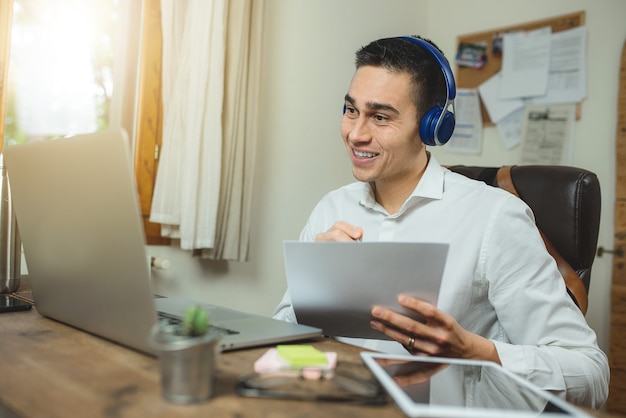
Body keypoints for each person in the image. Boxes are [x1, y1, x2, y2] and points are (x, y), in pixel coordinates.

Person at [273, 35, 609, 408]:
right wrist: (319, 285)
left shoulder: (494, 217)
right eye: (351, 110)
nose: (355, 133)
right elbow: (283, 335)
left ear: (433, 126)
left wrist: (474, 349)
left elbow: (591, 374)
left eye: (380, 117)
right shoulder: (331, 208)